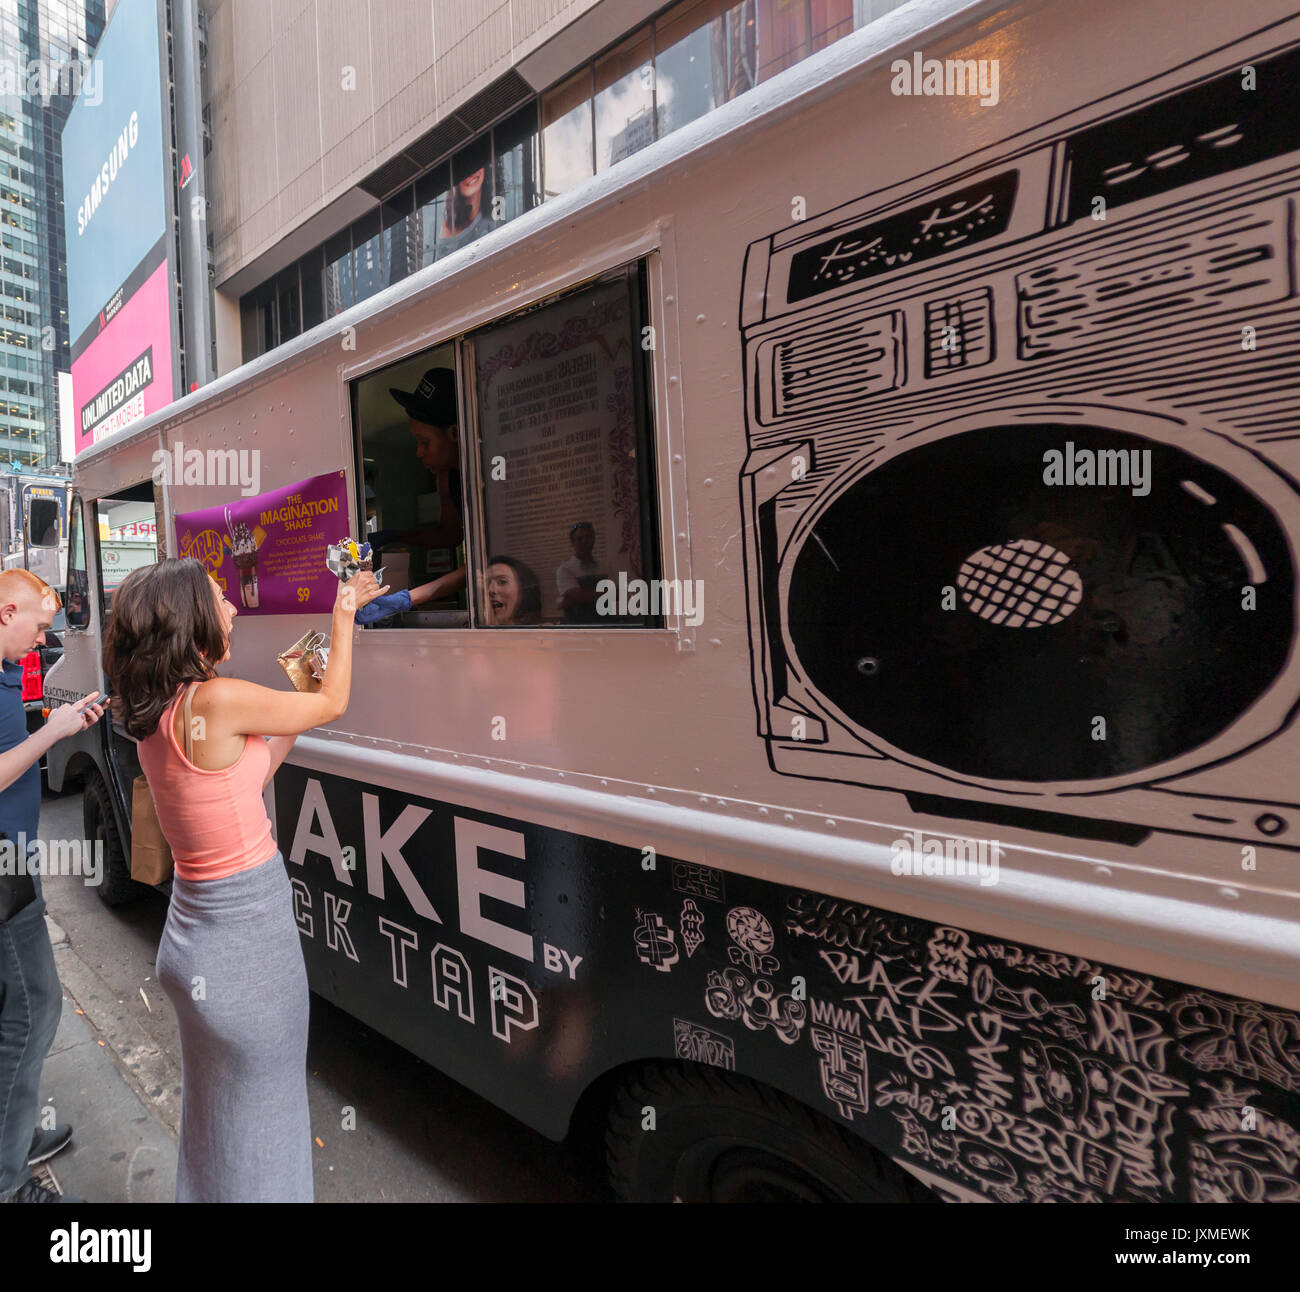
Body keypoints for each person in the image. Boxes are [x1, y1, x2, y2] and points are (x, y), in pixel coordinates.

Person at [102, 558, 385, 1202]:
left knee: (218, 1118)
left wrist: (302, 684)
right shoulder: (215, 699)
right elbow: (332, 703)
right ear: (189, 620)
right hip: (246, 945)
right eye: (218, 601)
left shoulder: (158, 712)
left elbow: (244, 780)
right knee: (268, 1126)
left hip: (194, 941)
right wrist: (343, 613)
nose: (231, 610)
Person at [0, 569, 105, 1204]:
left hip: (14, 860)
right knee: (36, 1009)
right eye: (38, 628)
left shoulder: (9, 666)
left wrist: (54, 714)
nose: (42, 642)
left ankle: (11, 1137)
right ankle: (9, 1180)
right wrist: (55, 732)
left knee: (18, 1009)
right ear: (4, 609)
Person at [362, 367, 466, 624]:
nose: (419, 453)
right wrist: (396, 535)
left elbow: (483, 566)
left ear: (454, 433)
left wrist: (408, 598)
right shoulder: (445, 477)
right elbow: (449, 535)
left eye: (425, 442)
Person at [556, 522, 606, 624]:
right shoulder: (564, 569)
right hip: (577, 628)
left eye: (588, 537)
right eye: (579, 538)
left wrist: (572, 599)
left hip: (605, 625)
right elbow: (579, 596)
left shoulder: (605, 565)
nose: (584, 541)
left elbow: (618, 594)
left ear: (593, 540)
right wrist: (606, 592)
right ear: (573, 542)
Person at [485, 556, 542, 626]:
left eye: (502, 582)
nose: (490, 590)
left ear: (523, 589)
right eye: (486, 584)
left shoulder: (542, 633)